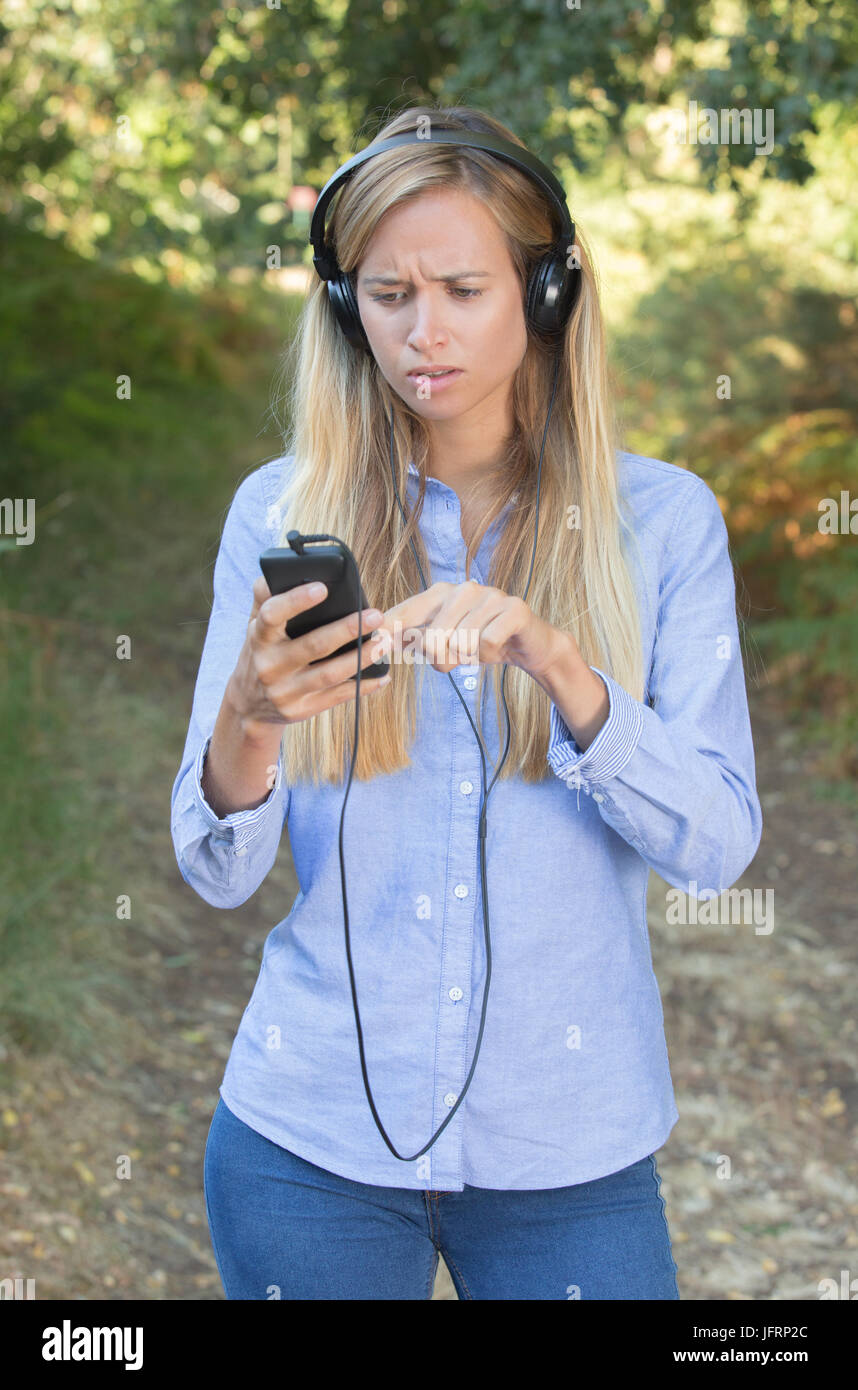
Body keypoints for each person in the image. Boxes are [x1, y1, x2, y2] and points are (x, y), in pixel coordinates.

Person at [170, 104, 762, 1300]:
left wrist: (562, 665)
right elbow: (217, 870)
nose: (418, 332)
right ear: (345, 309)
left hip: (570, 1151)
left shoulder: (663, 524)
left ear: (543, 296)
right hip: (307, 1140)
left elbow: (715, 845)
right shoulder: (275, 514)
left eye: (460, 288)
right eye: (385, 295)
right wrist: (249, 716)